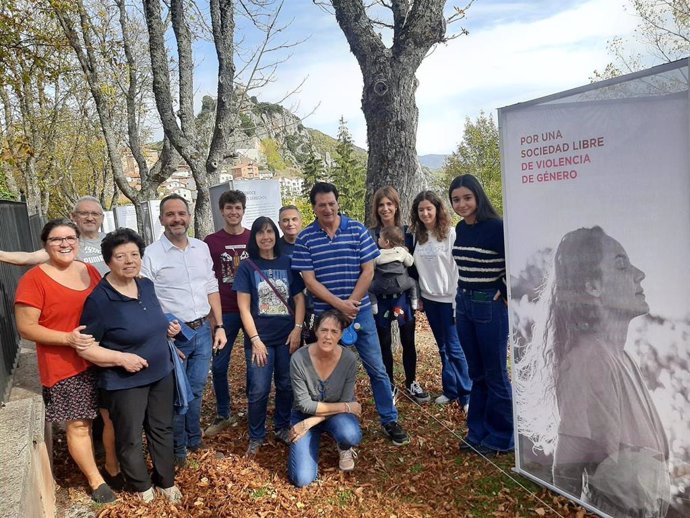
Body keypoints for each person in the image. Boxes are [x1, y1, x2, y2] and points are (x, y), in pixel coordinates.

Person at [516, 227, 670, 517]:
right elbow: (569, 467)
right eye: (621, 264)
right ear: (592, 286)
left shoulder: (620, 356)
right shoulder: (590, 358)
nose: (639, 274)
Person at [292, 182, 410, 445]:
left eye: (331, 203)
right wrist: (338, 305)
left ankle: (389, 419)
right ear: (313, 207)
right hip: (325, 317)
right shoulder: (306, 238)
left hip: (361, 314)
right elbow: (309, 282)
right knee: (325, 371)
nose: (327, 209)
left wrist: (351, 304)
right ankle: (329, 421)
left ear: (338, 203)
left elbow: (368, 270)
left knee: (376, 368)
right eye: (321, 204)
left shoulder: (357, 230)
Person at [14, 219, 116, 503]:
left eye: (70, 238)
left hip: (101, 357)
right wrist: (67, 339)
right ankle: (96, 481)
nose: (64, 244)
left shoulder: (90, 270)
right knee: (79, 424)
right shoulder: (34, 280)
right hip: (65, 364)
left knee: (111, 417)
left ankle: (112, 464)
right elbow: (26, 327)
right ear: (45, 245)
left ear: (78, 241)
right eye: (56, 239)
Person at [78, 228, 183, 503]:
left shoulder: (145, 285)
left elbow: (152, 321)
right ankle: (142, 487)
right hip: (123, 381)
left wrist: (167, 330)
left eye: (134, 254)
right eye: (121, 256)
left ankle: (166, 482)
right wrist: (121, 358)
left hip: (161, 373)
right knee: (130, 437)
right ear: (109, 261)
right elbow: (86, 347)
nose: (129, 261)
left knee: (162, 428)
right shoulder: (99, 300)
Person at [141, 194, 227, 467]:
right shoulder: (152, 254)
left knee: (198, 389)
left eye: (181, 213)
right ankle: (177, 451)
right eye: (170, 214)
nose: (177, 219)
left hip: (202, 331)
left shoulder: (201, 248)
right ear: (162, 219)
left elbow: (211, 286)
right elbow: (146, 297)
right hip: (172, 337)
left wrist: (220, 326)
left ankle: (194, 441)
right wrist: (162, 331)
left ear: (189, 216)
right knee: (178, 394)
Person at [449, 174, 513, 456]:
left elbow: (517, 259)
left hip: (489, 305)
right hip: (463, 304)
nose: (462, 204)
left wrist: (503, 287)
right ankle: (477, 431)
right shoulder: (461, 228)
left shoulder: (497, 227)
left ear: (478, 197)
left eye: (467, 198)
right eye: (456, 200)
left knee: (495, 373)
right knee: (476, 373)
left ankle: (502, 436)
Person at [233, 216, 306, 456]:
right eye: (260, 233)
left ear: (276, 235)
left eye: (269, 231)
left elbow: (298, 298)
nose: (266, 237)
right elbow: (244, 307)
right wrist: (255, 341)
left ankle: (282, 426)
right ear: (254, 238)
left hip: (287, 337)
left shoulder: (288, 262)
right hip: (260, 340)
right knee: (259, 389)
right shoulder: (247, 266)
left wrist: (297, 328)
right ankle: (256, 435)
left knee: (286, 385)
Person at [409, 191, 471, 408]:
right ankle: (451, 389)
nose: (425, 213)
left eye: (429, 208)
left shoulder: (450, 234)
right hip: (430, 300)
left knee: (456, 348)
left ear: (437, 209)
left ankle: (467, 394)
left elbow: (457, 271)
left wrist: (456, 303)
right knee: (443, 348)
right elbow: (416, 271)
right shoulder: (418, 237)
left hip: (450, 300)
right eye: (421, 210)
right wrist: (421, 298)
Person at [368, 186, 429, 405]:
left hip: (403, 296)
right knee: (384, 342)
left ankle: (411, 381)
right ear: (376, 209)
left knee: (408, 340)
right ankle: (389, 385)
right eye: (381, 205)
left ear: (396, 206)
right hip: (380, 298)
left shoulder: (407, 233)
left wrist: (418, 295)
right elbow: (366, 268)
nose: (385, 209)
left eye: (389, 204)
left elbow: (413, 268)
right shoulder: (370, 235)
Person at [288, 310, 362, 487]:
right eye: (324, 330)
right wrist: (347, 407)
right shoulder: (299, 359)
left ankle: (344, 447)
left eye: (334, 332)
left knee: (351, 434)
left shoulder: (349, 360)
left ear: (341, 334)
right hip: (304, 414)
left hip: (334, 416)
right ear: (316, 331)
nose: (328, 336)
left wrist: (308, 424)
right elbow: (305, 405)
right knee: (302, 479)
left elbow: (344, 401)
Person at [203, 190, 250, 437]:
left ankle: (256, 407)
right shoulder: (210, 242)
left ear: (243, 210)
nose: (234, 212)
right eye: (229, 208)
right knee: (219, 365)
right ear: (222, 211)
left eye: (238, 207)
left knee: (257, 363)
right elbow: (206, 279)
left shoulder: (253, 238)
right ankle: (223, 412)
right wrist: (213, 316)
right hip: (225, 312)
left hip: (251, 311)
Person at [0, 196, 109, 274]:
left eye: (95, 214)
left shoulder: (112, 240)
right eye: (84, 213)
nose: (90, 218)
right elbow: (30, 258)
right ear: (73, 216)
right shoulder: (66, 244)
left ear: (102, 218)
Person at [369, 226, 418, 314]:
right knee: (413, 283)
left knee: (369, 289)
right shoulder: (401, 251)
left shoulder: (377, 253)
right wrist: (406, 252)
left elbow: (372, 268)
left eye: (380, 238)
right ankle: (414, 301)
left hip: (381, 286)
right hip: (401, 284)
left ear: (386, 242)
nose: (378, 240)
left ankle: (374, 306)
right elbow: (410, 263)